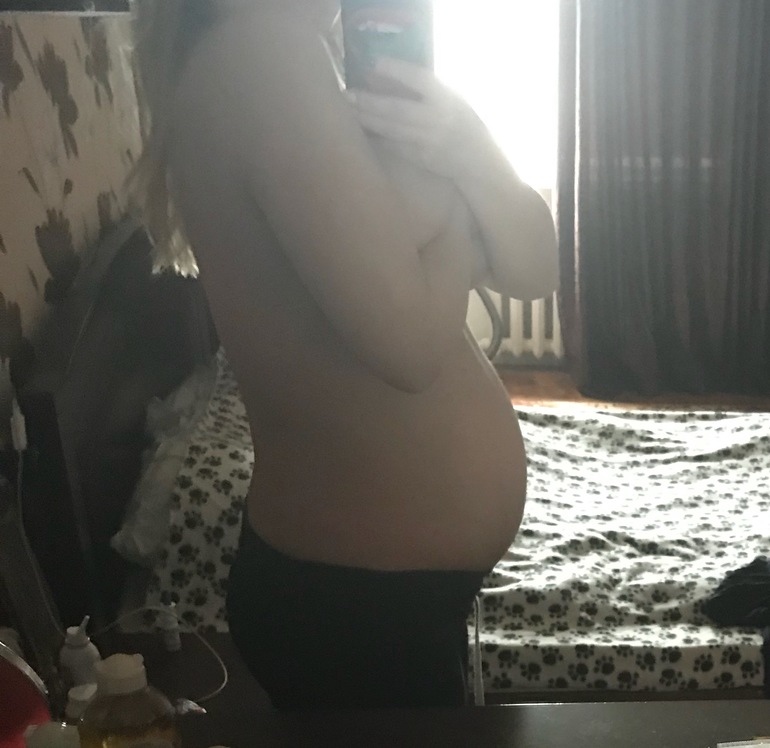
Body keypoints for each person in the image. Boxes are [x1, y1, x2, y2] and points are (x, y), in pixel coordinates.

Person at [131, 0, 558, 709]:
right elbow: (411, 348)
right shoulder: (262, 54)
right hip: (356, 605)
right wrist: (459, 219)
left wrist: (469, 145)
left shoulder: (309, 62)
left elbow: (536, 270)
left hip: (375, 595)